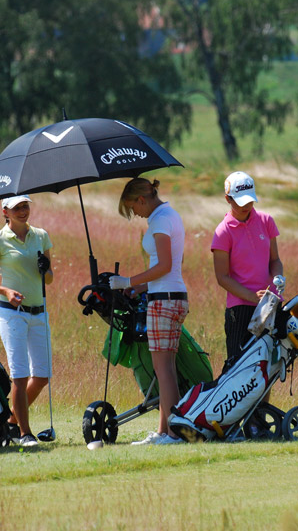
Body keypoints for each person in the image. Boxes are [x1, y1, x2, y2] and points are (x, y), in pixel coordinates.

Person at [110, 178, 188, 445]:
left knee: (163, 369)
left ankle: (175, 433)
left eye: (133, 208)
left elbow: (164, 265)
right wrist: (141, 286)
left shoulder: (159, 220)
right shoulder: (171, 215)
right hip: (172, 295)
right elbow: (171, 265)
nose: (136, 215)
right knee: (165, 368)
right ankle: (164, 431)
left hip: (164, 300)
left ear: (142, 199)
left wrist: (128, 282)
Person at [0, 195, 54, 448]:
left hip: (39, 313)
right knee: (20, 376)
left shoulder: (41, 236)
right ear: (5, 212)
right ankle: (25, 433)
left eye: (25, 206)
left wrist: (46, 269)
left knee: (41, 376)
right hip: (12, 315)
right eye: (16, 208)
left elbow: (50, 279)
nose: (23, 211)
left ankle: (10, 419)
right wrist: (6, 291)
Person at [211, 171, 284, 371]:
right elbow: (222, 277)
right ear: (227, 199)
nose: (245, 206)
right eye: (240, 202)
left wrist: (278, 279)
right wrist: (253, 297)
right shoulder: (223, 232)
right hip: (240, 309)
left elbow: (275, 260)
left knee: (267, 366)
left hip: (269, 305)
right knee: (238, 368)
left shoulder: (266, 221)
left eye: (249, 201)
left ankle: (261, 404)